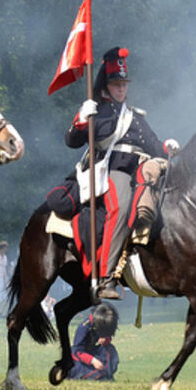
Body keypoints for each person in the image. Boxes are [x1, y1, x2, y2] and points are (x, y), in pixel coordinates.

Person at [65, 47, 178, 300]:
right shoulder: (96, 111)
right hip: (114, 167)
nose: (122, 89)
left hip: (142, 167)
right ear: (106, 86)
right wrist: (81, 120)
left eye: (124, 84)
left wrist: (165, 147)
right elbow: (72, 141)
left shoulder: (135, 116)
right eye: (117, 84)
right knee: (121, 207)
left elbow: (152, 143)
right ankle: (106, 277)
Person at [68, 303, 120, 381]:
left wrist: (106, 340)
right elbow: (78, 351)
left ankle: (106, 374)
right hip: (81, 357)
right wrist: (93, 361)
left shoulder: (104, 325)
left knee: (110, 350)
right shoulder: (84, 328)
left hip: (93, 351)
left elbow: (108, 336)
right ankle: (95, 375)